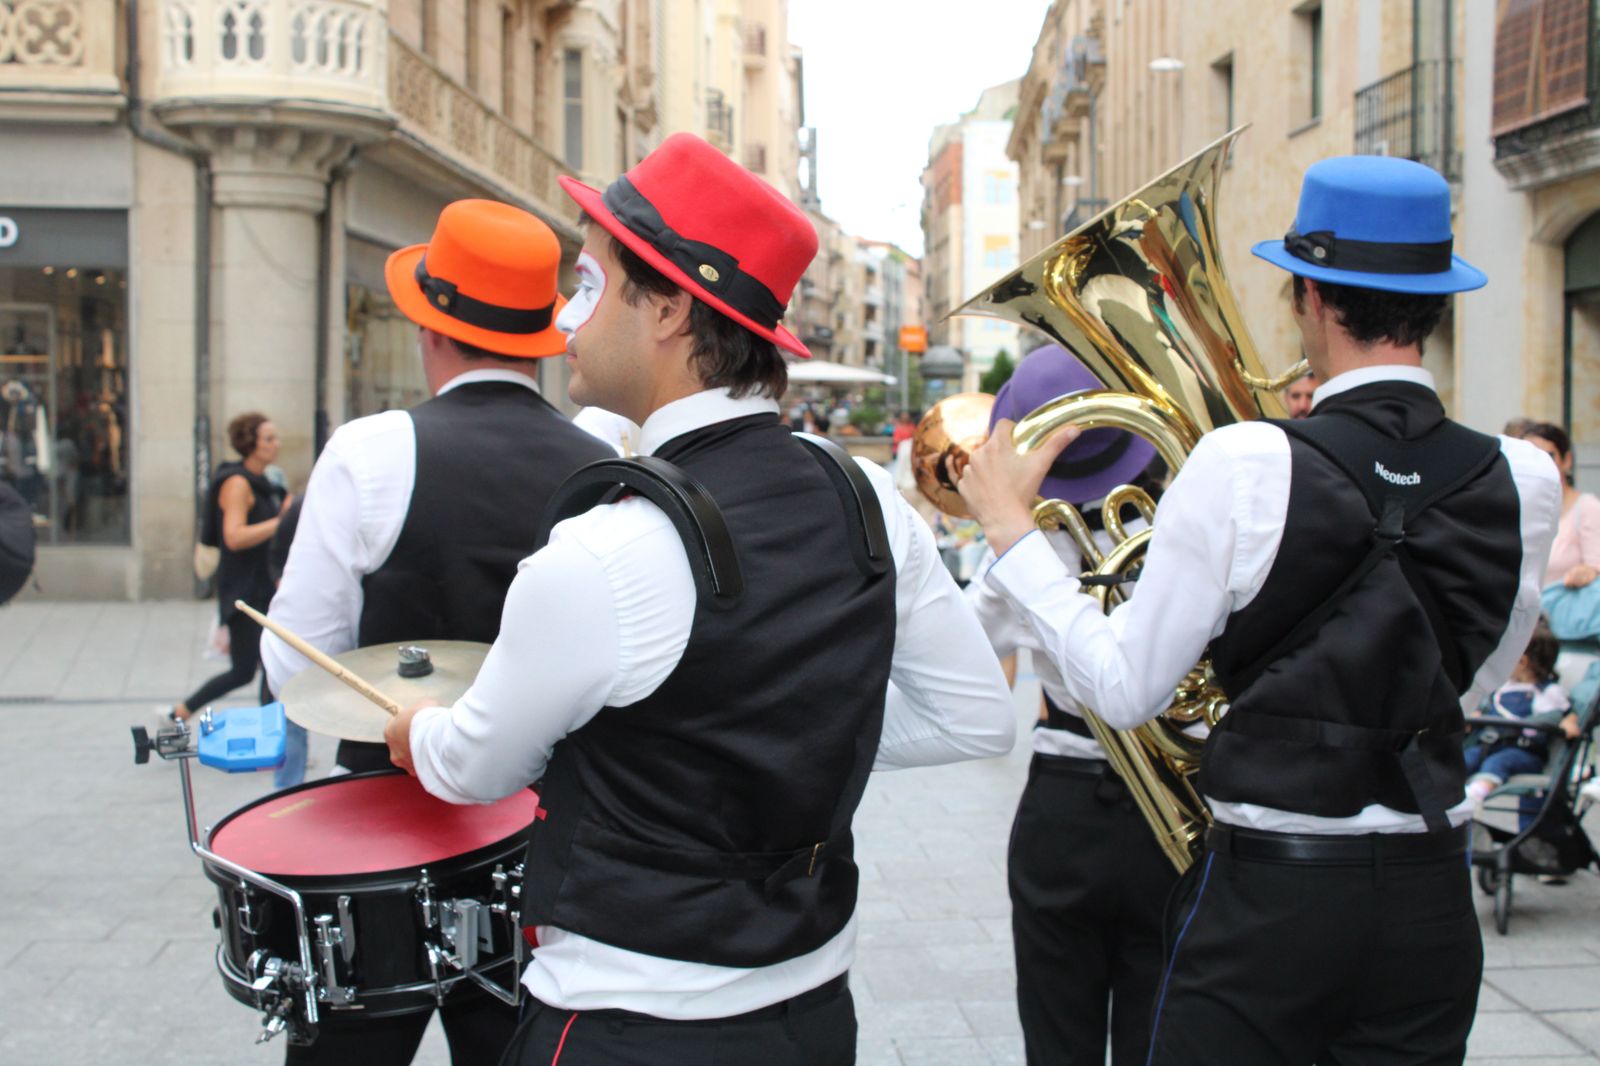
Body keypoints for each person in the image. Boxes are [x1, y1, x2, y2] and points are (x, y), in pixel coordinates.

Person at [382, 132, 1016, 1066]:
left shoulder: (600, 551)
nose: (564, 319)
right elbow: (976, 717)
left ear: (672, 307)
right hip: (811, 1017)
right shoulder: (864, 493)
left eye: (588, 286)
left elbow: (477, 768)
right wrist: (790, 742)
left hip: (623, 1026)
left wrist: (417, 729)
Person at [959, 155, 1562, 1065]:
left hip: (1273, 899)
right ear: (1439, 299)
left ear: (1309, 298)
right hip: (1432, 896)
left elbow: (1123, 691)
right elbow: (1469, 681)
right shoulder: (1526, 476)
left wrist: (1012, 531)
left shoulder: (1243, 462)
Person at [261, 198, 614, 1066]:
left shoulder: (370, 451)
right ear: (542, 337)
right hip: (546, 836)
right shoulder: (606, 463)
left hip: (377, 839)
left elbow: (292, 657)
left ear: (432, 330)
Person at [965, 345, 1170, 1066]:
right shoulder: (1178, 527)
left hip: (1065, 800)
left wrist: (1002, 525)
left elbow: (962, 645)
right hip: (1172, 804)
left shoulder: (1022, 551)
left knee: (1058, 1036)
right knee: (1159, 1032)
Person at [158, 412, 289, 729]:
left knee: (265, 667)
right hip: (244, 591)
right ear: (251, 445)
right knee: (246, 670)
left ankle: (268, 734)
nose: (277, 444)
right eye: (269, 439)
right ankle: (180, 713)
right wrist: (279, 521)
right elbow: (234, 536)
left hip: (263, 587)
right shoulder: (237, 483)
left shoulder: (265, 482)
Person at [1464, 620, 1574, 803]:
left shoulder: (1547, 692)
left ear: (1522, 661)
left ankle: (1475, 795)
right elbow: (1486, 709)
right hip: (1488, 744)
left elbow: (1564, 713)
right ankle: (1444, 797)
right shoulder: (1502, 687)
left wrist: (1569, 720)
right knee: (1465, 759)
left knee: (1498, 763)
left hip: (1523, 752)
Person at [1523, 421, 1600, 590]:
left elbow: (1596, 565)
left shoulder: (1588, 507)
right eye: (1530, 458)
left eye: (1548, 456)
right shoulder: (1519, 510)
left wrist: (1586, 572)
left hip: (1563, 611)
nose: (1539, 465)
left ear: (1567, 460)